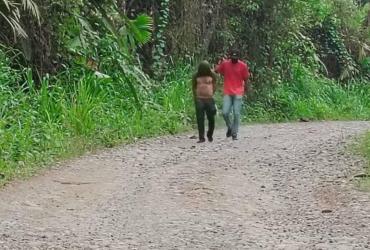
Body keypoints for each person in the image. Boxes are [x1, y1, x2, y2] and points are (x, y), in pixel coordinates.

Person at [215, 50, 250, 140]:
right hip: (228, 91)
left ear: (238, 58)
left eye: (236, 58)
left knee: (236, 113)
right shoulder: (225, 64)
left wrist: (247, 89)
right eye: (233, 57)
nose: (234, 59)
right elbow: (217, 70)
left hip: (238, 92)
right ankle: (230, 127)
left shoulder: (243, 66)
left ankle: (234, 133)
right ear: (230, 57)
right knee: (225, 112)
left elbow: (246, 79)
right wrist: (219, 64)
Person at [192, 61, 217, 143]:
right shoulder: (196, 75)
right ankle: (201, 137)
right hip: (199, 99)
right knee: (200, 119)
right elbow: (194, 87)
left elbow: (215, 85)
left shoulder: (212, 75)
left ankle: (210, 134)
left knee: (211, 118)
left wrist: (211, 94)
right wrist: (195, 97)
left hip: (209, 99)